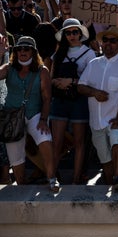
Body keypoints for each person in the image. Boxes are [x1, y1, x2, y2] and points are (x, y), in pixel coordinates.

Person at [77, 27, 118, 191]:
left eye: (113, 40)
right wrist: (94, 92)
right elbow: (80, 86)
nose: (108, 43)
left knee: (117, 141)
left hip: (116, 117)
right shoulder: (93, 64)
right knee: (104, 157)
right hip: (96, 120)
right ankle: (111, 184)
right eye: (106, 40)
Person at [0, 36, 58, 190]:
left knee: (45, 139)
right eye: (19, 49)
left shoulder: (42, 71)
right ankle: (21, 185)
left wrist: (44, 120)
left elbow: (47, 98)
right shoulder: (8, 68)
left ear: (33, 52)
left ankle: (52, 178)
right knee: (15, 155)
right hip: (12, 115)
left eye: (26, 49)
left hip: (34, 114)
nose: (22, 51)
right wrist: (0, 55)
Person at [48, 19, 95, 185]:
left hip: (79, 101)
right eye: (68, 32)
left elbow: (91, 80)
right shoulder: (58, 53)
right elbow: (50, 78)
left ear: (80, 33)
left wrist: (71, 82)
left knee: (79, 142)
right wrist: (59, 82)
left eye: (75, 32)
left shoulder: (89, 54)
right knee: (57, 141)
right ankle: (52, 177)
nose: (72, 35)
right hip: (60, 99)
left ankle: (76, 178)